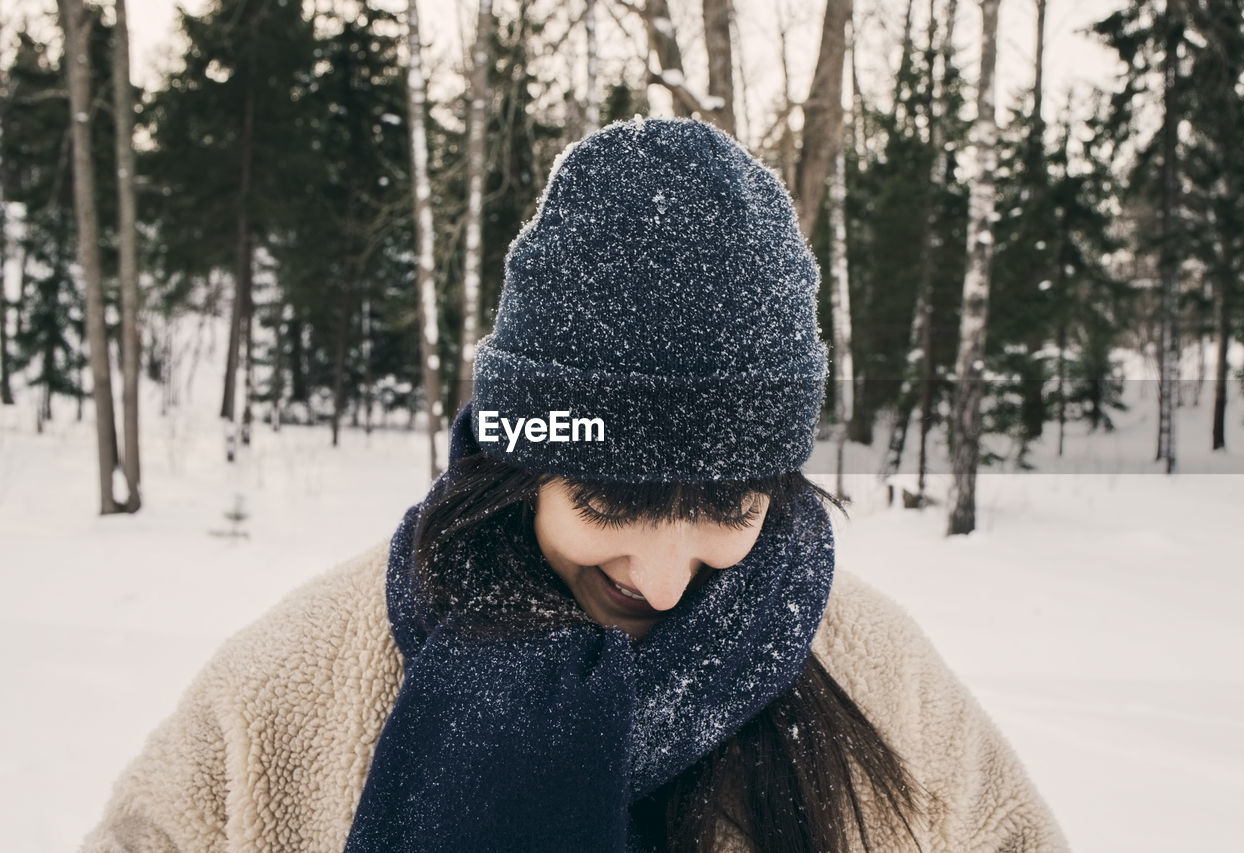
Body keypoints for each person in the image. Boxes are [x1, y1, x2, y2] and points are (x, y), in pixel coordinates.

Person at [82, 117, 1067, 852]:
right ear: (519, 464)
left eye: (727, 506)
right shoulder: (294, 681)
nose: (667, 576)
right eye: (612, 500)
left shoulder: (875, 672)